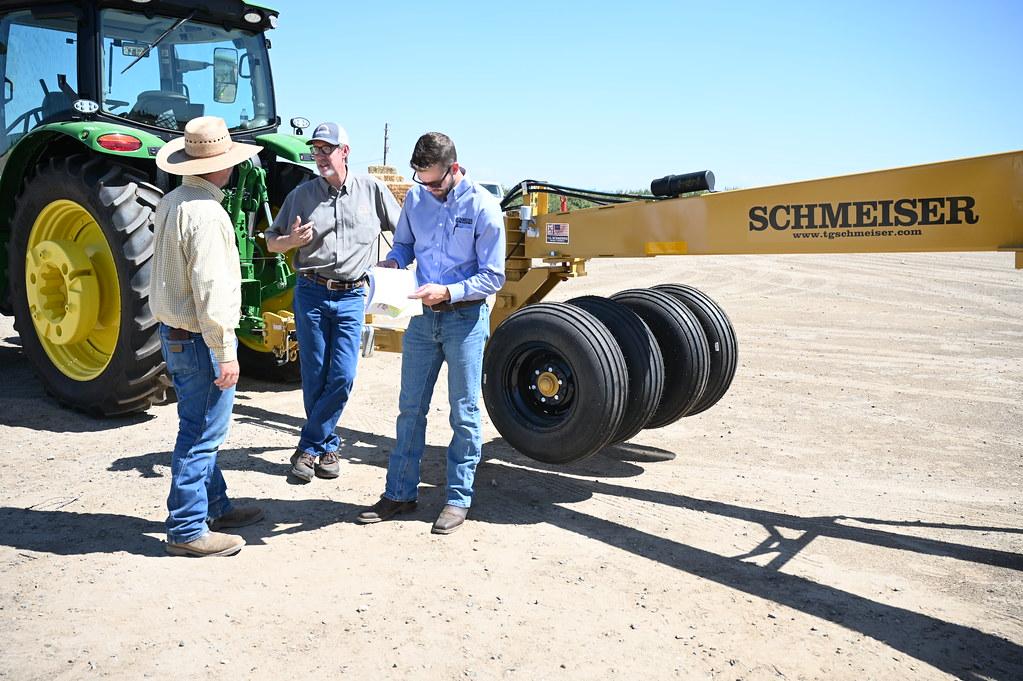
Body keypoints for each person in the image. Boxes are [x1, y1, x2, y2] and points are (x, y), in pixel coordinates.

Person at [357, 132, 506, 534]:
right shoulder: (417, 199)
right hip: (422, 318)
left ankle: (458, 498)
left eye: (436, 182)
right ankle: (399, 493)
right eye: (421, 181)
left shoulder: (484, 208)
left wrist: (450, 291)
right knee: (410, 410)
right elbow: (405, 245)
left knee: (465, 413)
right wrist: (393, 261)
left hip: (465, 320)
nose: (428, 189)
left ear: (454, 169)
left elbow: (494, 276)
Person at [152, 116, 265, 557]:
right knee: (201, 434)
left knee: (195, 424)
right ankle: (185, 528)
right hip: (199, 338)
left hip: (174, 332)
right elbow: (212, 289)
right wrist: (226, 351)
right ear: (223, 164)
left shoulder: (172, 202)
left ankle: (213, 506)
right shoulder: (209, 213)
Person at [264, 122, 401, 482]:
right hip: (311, 291)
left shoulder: (372, 190)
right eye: (316, 150)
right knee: (314, 374)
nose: (320, 157)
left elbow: (403, 231)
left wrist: (397, 259)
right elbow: (271, 241)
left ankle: (308, 447)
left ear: (346, 152)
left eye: (327, 149)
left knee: (342, 374)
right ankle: (327, 447)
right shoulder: (302, 194)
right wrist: (291, 240)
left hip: (353, 294)